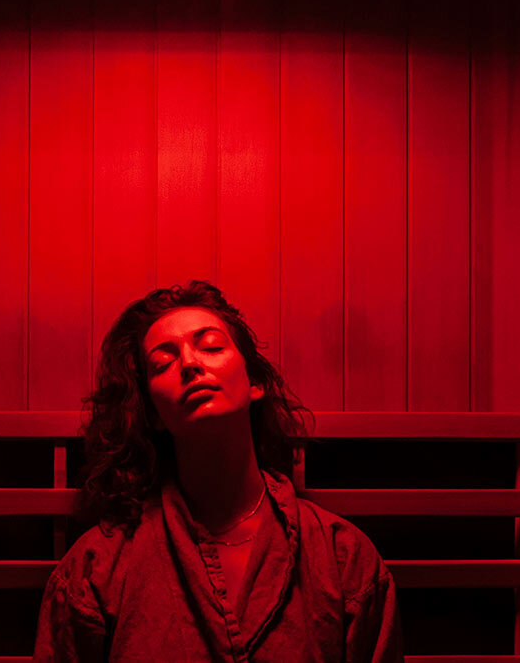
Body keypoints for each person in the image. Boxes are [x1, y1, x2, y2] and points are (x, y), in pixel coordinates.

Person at [33, 280, 402, 662]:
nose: (190, 364)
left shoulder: (342, 558)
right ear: (154, 414)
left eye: (210, 346)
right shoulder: (98, 569)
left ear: (255, 382)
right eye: (163, 363)